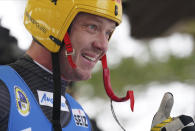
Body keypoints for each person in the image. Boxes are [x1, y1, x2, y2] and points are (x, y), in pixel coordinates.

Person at [0, 0, 194, 131]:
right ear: (53, 25)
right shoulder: (3, 91)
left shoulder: (79, 115)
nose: (103, 45)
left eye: (108, 33)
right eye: (92, 27)